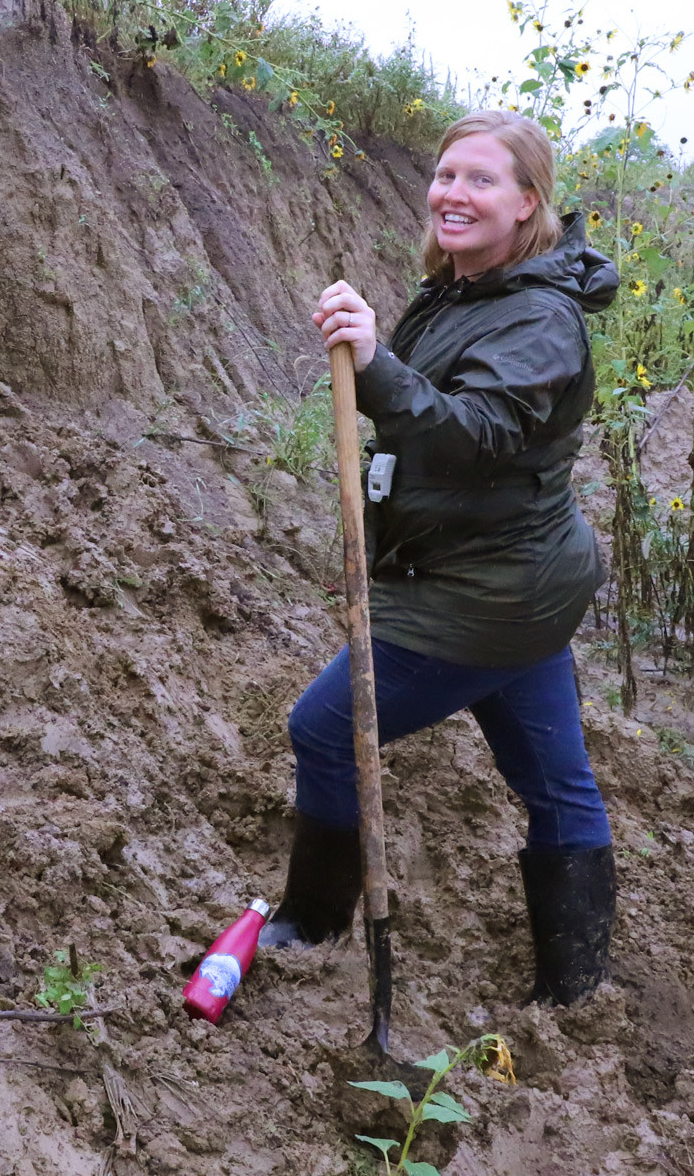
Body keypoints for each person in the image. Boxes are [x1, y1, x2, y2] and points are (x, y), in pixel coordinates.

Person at [260, 109, 620, 1007]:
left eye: (482, 180)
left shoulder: (538, 317)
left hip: (482, 593)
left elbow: (476, 437)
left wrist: (376, 362)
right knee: (554, 780)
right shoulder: (465, 288)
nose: (454, 193)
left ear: (529, 202)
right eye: (446, 174)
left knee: (325, 727)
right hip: (512, 581)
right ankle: (575, 989)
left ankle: (310, 921)